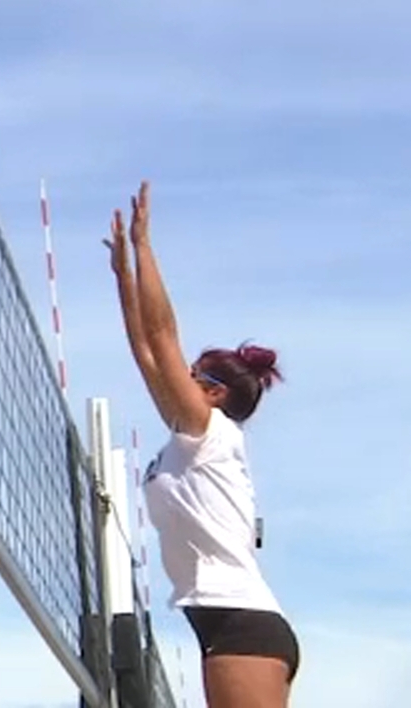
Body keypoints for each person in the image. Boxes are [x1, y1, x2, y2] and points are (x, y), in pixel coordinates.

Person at [105, 181, 300, 708]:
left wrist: (145, 248)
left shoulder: (210, 433)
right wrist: (124, 277)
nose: (179, 375)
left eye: (192, 374)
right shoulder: (187, 435)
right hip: (228, 626)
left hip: (243, 626)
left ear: (214, 394)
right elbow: (146, 349)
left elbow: (164, 335)